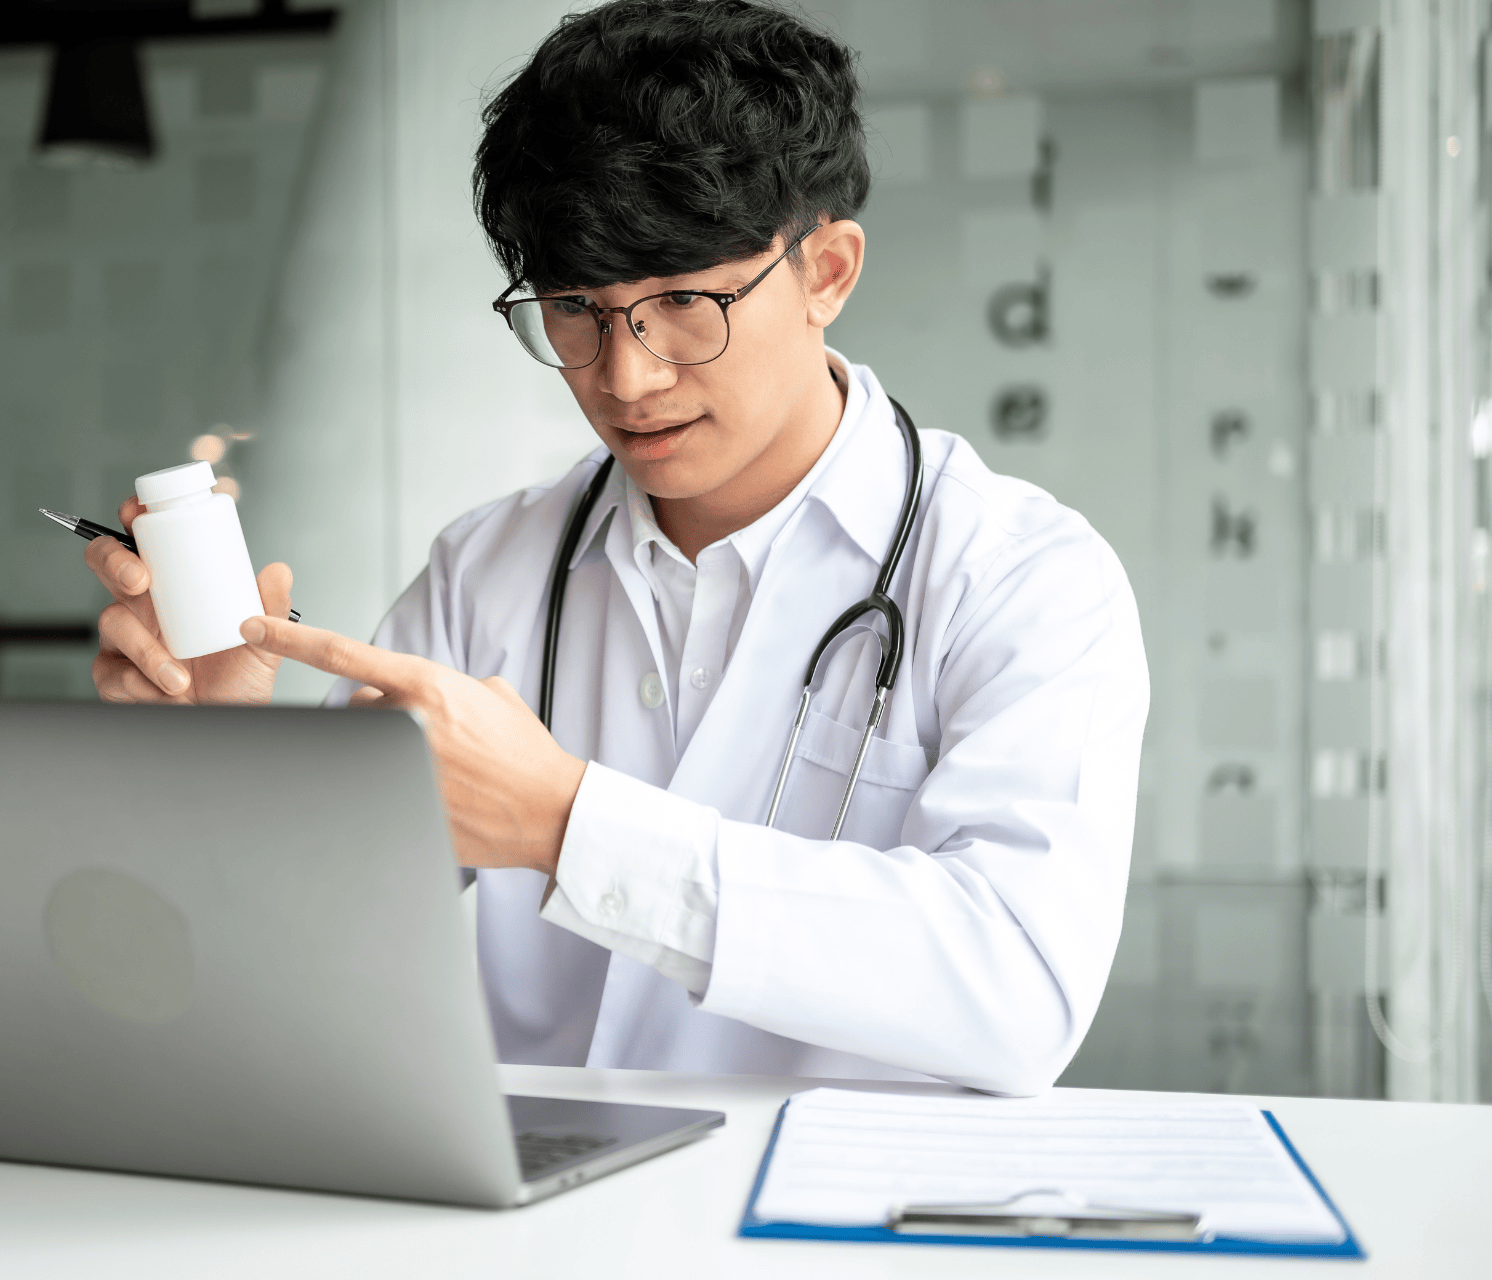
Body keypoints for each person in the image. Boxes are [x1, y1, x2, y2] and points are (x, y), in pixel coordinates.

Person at [84, 0, 1148, 1096]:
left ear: (827, 270)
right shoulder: (487, 572)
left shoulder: (1020, 577)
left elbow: (1019, 989)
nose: (626, 376)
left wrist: (566, 825)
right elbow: (305, 957)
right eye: (576, 309)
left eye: (685, 302)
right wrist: (222, 745)